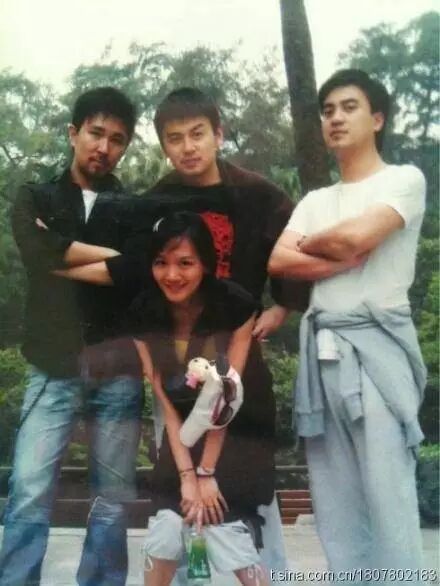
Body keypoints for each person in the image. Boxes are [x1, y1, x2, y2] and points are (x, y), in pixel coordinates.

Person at [56, 87, 310, 580]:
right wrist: (57, 261)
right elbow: (131, 268)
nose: (188, 147)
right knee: (176, 492)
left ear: (219, 134)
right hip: (174, 359)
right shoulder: (155, 201)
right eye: (175, 139)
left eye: (198, 134)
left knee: (249, 496)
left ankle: (268, 571)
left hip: (239, 354)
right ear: (163, 145)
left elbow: (294, 244)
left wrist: (283, 305)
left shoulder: (257, 194)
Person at [269, 69, 426, 576]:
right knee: (334, 497)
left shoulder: (403, 180)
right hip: (323, 353)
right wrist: (341, 254)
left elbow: (356, 238)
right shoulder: (316, 201)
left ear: (377, 119)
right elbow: (278, 260)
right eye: (328, 110)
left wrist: (317, 244)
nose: (335, 118)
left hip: (377, 348)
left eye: (349, 107)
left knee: (387, 493)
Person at [0, 87, 144, 586]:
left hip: (118, 369)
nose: (104, 147)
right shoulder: (36, 196)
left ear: (126, 146)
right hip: (52, 363)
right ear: (73, 133)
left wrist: (58, 254)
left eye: (117, 139)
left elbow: (138, 273)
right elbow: (34, 251)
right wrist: (115, 259)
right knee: (29, 488)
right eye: (95, 133)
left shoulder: (134, 209)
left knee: (112, 499)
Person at [129, 211, 273, 586]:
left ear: (205, 264)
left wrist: (206, 473)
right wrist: (186, 476)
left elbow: (227, 397)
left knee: (223, 527)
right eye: (161, 263)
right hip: (182, 437)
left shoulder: (235, 306)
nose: (171, 275)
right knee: (165, 528)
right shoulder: (143, 312)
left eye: (185, 263)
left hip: (234, 433)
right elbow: (164, 400)